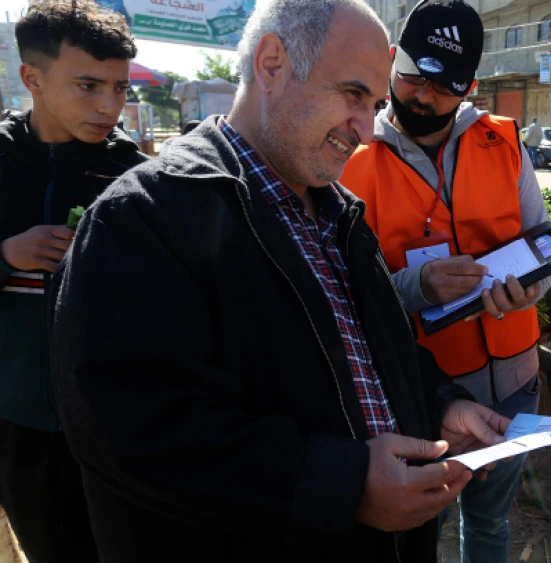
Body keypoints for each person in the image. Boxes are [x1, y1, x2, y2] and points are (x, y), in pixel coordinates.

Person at [49, 1, 510, 561]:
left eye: (375, 105)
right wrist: (344, 485)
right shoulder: (141, 217)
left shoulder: (341, 214)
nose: (366, 131)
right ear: (271, 64)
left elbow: (376, 350)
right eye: (352, 96)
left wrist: (439, 404)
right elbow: (133, 430)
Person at [340, 1, 551, 561]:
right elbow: (337, 284)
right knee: (412, 532)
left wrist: (534, 285)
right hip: (413, 392)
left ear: (471, 85)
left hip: (513, 383)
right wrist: (417, 286)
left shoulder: (504, 140)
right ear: (391, 60)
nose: (425, 97)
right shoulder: (351, 151)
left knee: (488, 524)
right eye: (413, 77)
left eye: (445, 86)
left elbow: (543, 238)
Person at [0, 3, 147, 562]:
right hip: (21, 425)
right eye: (88, 86)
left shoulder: (136, 173)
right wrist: (6, 255)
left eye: (119, 88)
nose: (109, 106)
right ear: (31, 78)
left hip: (118, 424)